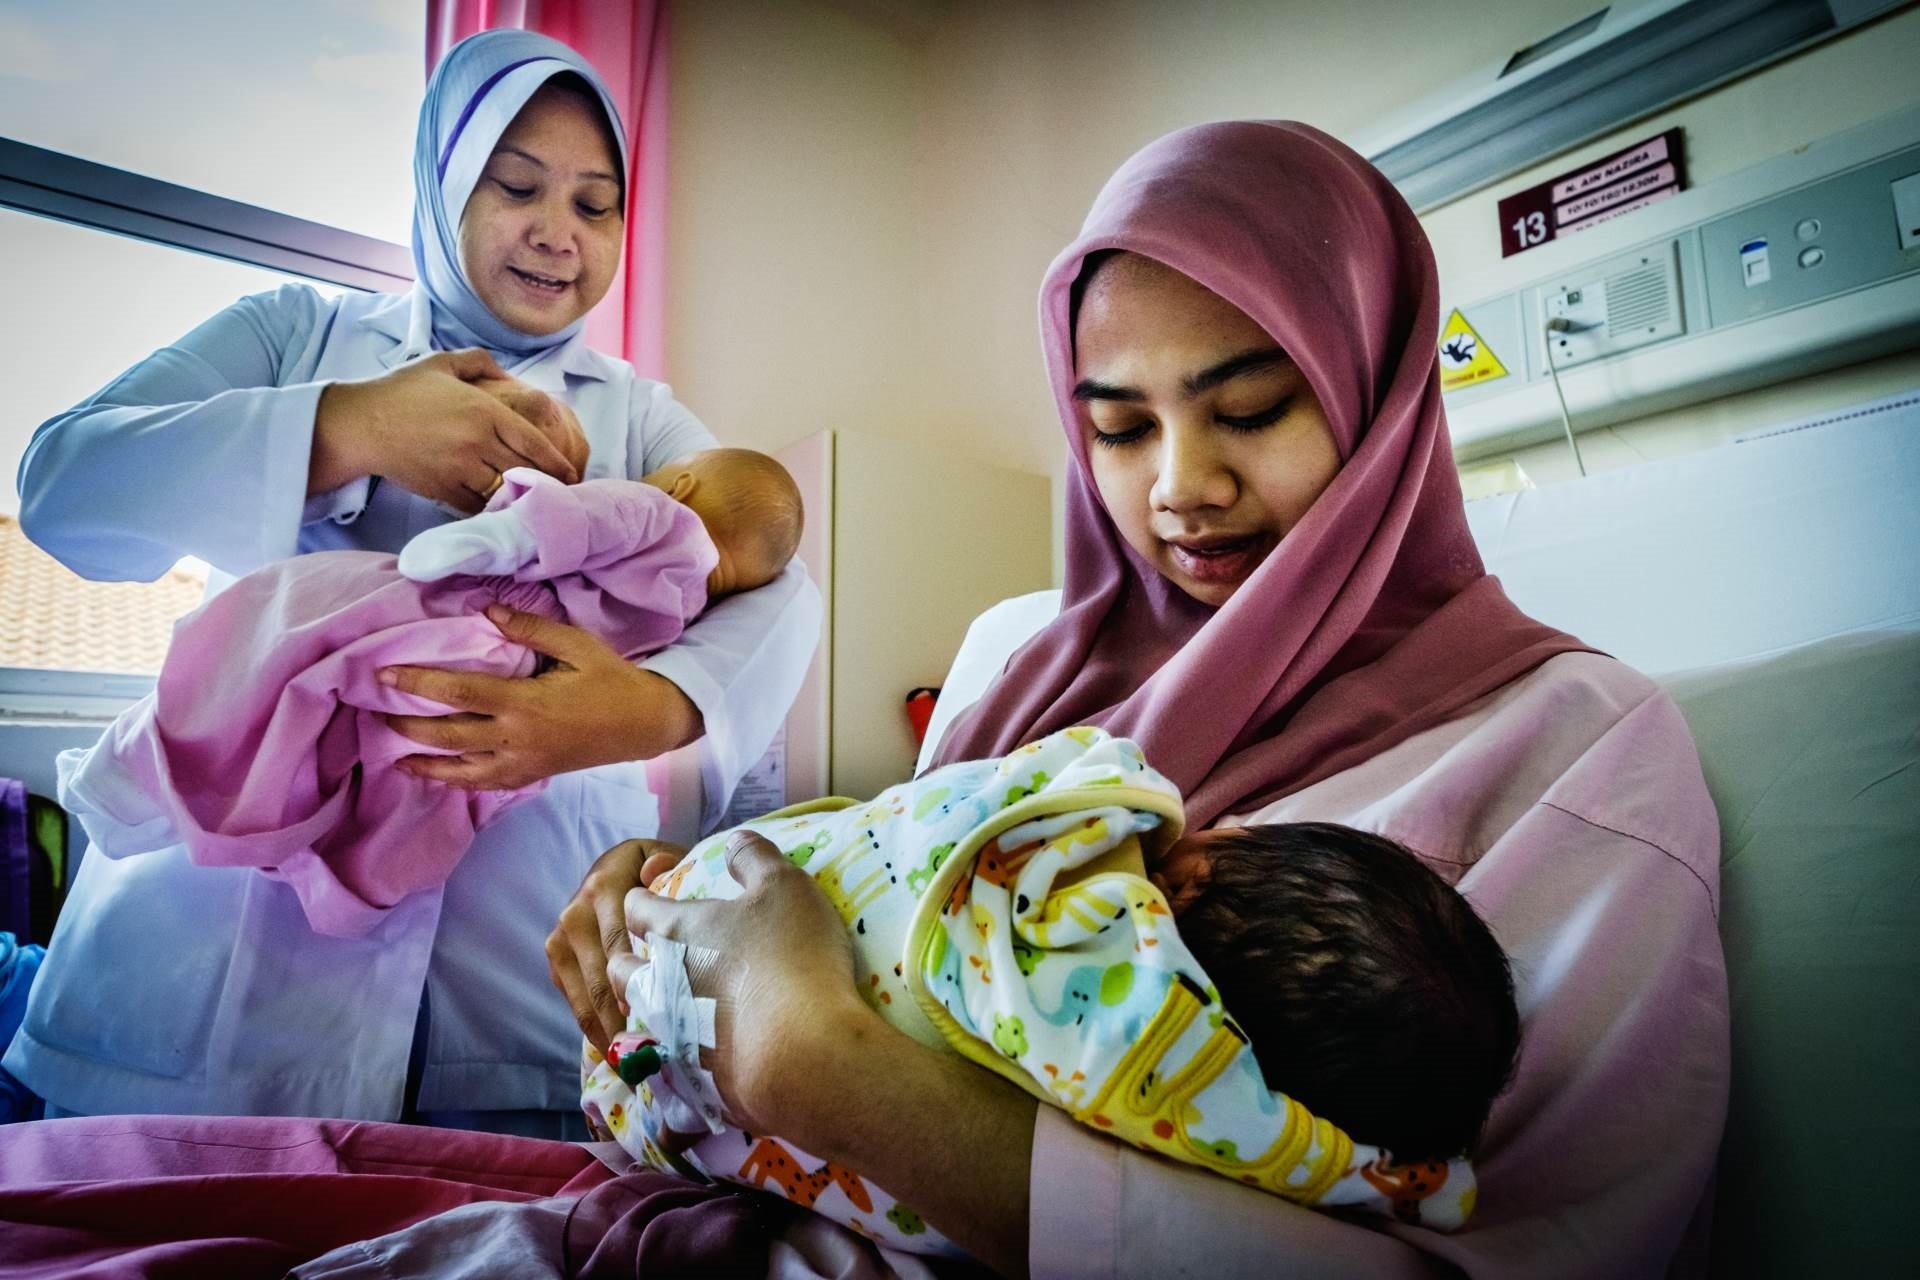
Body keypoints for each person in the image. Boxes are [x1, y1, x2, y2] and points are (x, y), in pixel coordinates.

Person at [548, 120, 1728, 1278]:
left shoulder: (1577, 750)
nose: (1180, 486)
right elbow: (876, 922)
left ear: (1378, 392)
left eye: (1252, 409)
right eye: (1117, 426)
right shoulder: (1021, 675)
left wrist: (828, 1069)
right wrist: (682, 907)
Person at [5, 30, 820, 1134]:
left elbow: (778, 576)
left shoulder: (639, 417)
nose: (559, 233)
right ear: (442, 186)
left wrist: (642, 709)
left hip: (504, 1002)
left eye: (596, 205)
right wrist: (349, 426)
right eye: (516, 185)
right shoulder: (298, 335)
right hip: (209, 972)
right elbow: (64, 481)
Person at [581, 724, 1516, 1258]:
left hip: (687, 980)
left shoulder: (1093, 806)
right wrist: (625, 874)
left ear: (1204, 863)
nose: (1184, 487)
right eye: (1119, 444)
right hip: (656, 1029)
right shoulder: (1200, 1112)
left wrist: (809, 1053)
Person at [54, 449, 804, 939]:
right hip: (494, 654)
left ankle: (154, 789)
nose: (705, 586)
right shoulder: (675, 566)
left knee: (323, 695)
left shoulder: (667, 496)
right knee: (362, 744)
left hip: (483, 646)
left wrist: (488, 541)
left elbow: (573, 522)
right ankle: (317, 869)